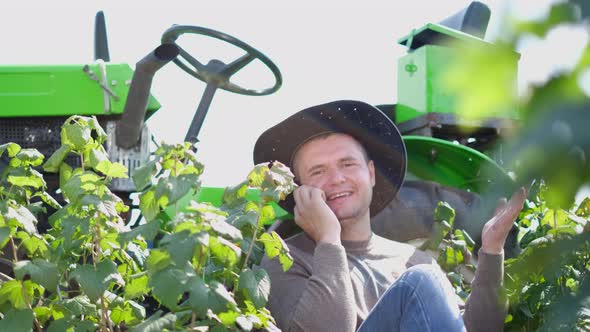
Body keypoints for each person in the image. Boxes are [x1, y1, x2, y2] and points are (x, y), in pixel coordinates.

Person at [253, 100, 526, 332]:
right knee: (421, 282)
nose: (336, 179)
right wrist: (328, 239)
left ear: (371, 174)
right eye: (317, 171)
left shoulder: (414, 261)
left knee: (423, 277)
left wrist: (491, 250)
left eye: (347, 164)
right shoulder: (284, 258)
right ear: (300, 189)